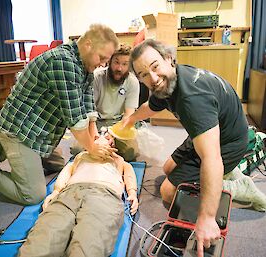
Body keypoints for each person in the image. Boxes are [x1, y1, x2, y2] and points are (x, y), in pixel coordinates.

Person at [123, 39, 266, 257]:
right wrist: (130, 120)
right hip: (207, 129)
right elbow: (150, 107)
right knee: (168, 168)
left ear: (169, 59)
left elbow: (211, 158)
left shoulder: (191, 99)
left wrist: (207, 217)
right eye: (143, 74)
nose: (152, 78)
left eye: (155, 66)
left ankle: (239, 187)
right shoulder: (170, 82)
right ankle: (226, 175)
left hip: (228, 142)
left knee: (170, 193)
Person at [0, 24, 119, 205]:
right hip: (21, 131)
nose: (104, 64)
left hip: (40, 129)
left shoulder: (85, 65)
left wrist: (94, 135)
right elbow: (75, 120)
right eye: (102, 57)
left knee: (57, 166)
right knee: (34, 195)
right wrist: (92, 148)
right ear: (88, 44)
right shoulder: (63, 62)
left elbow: (87, 104)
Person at [18, 134, 138, 257]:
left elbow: (129, 174)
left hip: (104, 196)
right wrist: (56, 191)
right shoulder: (80, 158)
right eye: (95, 138)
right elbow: (66, 173)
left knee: (91, 240)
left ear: (113, 145)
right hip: (68, 194)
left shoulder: (118, 160)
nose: (101, 138)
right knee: (47, 233)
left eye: (107, 138)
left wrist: (132, 192)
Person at [93, 44, 140, 128]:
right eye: (116, 62)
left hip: (120, 122)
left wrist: (115, 132)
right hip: (97, 121)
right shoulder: (97, 77)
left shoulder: (132, 82)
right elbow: (90, 111)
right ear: (109, 61)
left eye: (125, 64)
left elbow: (129, 114)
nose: (119, 68)